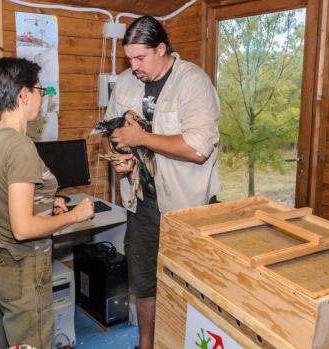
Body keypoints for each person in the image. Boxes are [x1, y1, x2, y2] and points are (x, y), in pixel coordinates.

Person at [102, 16, 220, 349]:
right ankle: (146, 344)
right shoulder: (126, 82)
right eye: (129, 59)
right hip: (141, 202)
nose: (134, 66)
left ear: (162, 49)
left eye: (141, 58)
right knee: (143, 279)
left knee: (187, 282)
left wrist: (143, 137)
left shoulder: (192, 82)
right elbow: (107, 131)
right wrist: (117, 158)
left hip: (188, 206)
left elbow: (197, 149)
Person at [0, 57, 95, 349]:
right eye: (41, 89)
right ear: (23, 94)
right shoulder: (20, 146)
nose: (43, 96)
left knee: (4, 342)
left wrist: (43, 202)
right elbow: (23, 229)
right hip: (23, 266)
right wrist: (76, 215)